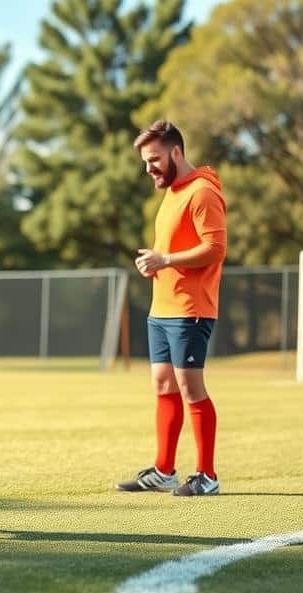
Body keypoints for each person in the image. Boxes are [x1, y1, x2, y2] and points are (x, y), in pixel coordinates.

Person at [116, 120, 226, 497]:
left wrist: (165, 260)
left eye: (154, 160)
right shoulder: (173, 193)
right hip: (161, 308)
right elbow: (172, 250)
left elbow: (215, 248)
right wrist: (155, 262)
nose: (149, 169)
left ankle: (207, 476)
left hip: (191, 308)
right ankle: (164, 471)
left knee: (190, 387)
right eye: (146, 162)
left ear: (176, 152)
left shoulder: (202, 192)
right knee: (163, 384)